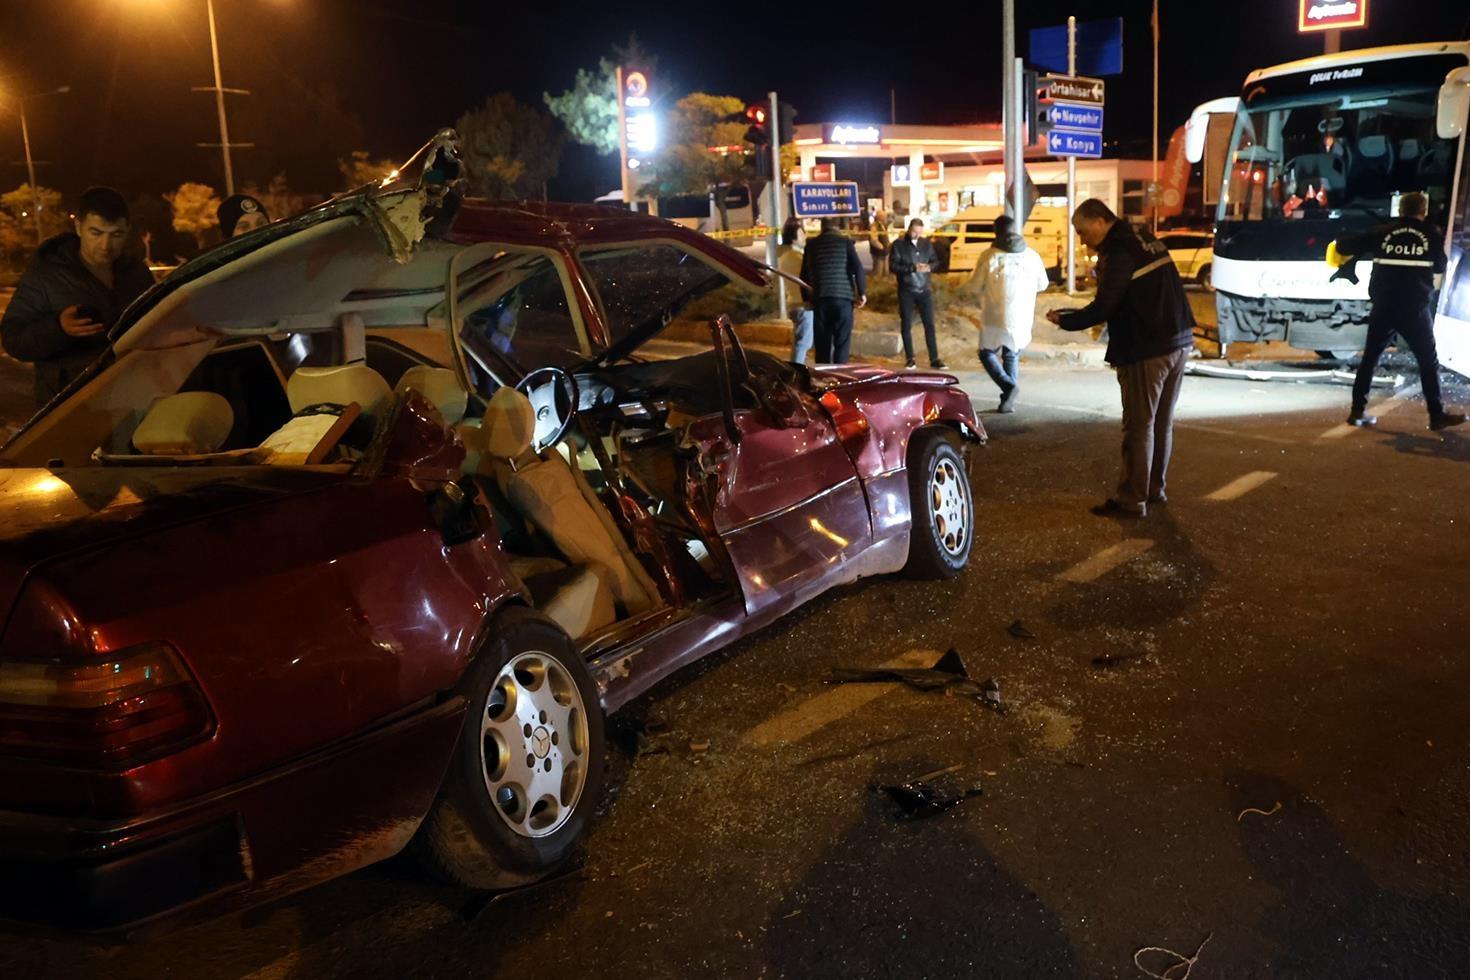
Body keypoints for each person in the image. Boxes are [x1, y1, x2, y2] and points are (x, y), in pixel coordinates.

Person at [1046, 199, 1195, 518]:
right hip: (1179, 340)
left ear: (1100, 221)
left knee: (1139, 426)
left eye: (1082, 231)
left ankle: (1132, 499)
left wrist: (1067, 320)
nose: (1082, 239)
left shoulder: (1118, 251)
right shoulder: (1142, 237)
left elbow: (1104, 306)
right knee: (1161, 422)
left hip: (1148, 346)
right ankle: (1154, 489)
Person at [1, 186, 156, 408]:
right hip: (68, 405)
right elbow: (13, 339)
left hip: (129, 398)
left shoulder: (136, 273)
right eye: (96, 233)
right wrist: (58, 329)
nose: (106, 246)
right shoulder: (46, 275)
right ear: (78, 227)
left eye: (116, 235)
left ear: (127, 230)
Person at [1333, 191, 1464, 430]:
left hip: (1384, 306)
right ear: (1423, 212)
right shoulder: (1430, 234)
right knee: (1427, 361)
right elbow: (1441, 266)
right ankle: (1436, 415)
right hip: (1414, 309)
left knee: (1370, 359)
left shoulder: (1382, 232)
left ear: (1400, 210)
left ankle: (1357, 411)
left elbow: (1343, 245)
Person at [966, 215, 1049, 413]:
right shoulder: (1032, 255)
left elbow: (975, 285)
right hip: (1022, 316)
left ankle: (1008, 387)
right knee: (1011, 354)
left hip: (995, 315)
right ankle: (1007, 401)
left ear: (996, 232)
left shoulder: (990, 256)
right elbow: (1043, 284)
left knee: (986, 353)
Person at [799, 217, 867, 364]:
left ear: (822, 227)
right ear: (838, 227)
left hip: (820, 299)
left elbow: (803, 275)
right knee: (842, 343)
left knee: (822, 345)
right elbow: (858, 268)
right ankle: (839, 378)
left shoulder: (811, 245)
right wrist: (862, 292)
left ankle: (824, 378)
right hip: (843, 300)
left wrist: (806, 299)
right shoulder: (845, 243)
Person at [889, 218, 946, 369]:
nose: (916, 235)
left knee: (929, 324)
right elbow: (893, 266)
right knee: (906, 323)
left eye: (919, 233)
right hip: (907, 289)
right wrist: (912, 268)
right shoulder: (898, 245)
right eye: (914, 232)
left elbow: (935, 261)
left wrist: (929, 267)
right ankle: (910, 358)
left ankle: (934, 358)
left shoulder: (926, 244)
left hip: (924, 288)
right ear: (909, 229)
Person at [778, 217, 813, 365]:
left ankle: (797, 370)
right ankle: (795, 373)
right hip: (802, 304)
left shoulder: (785, 256)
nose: (804, 236)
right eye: (801, 233)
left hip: (794, 302)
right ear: (794, 238)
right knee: (802, 343)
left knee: (802, 342)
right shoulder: (797, 257)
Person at [867, 209, 891, 277]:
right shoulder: (874, 226)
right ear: (880, 217)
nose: (886, 217)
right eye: (885, 216)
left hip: (885, 252)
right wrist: (882, 248)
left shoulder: (883, 225)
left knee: (885, 271)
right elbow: (873, 240)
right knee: (878, 272)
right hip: (878, 253)